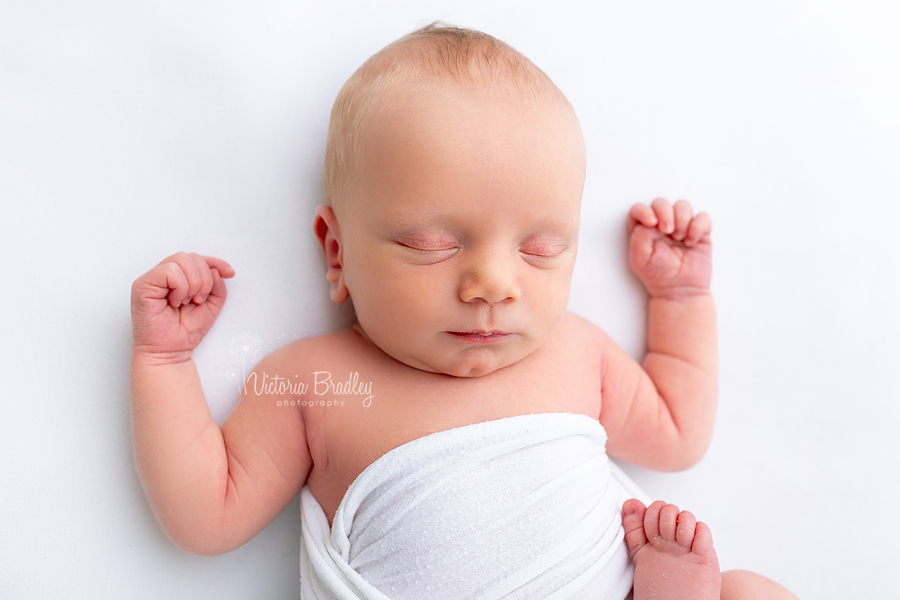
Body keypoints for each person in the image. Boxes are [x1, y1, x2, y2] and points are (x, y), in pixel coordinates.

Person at [130, 21, 798, 600]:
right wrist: (164, 360)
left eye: (540, 250)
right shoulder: (315, 383)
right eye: (433, 245)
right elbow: (205, 516)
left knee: (750, 592)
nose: (492, 284)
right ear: (337, 252)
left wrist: (680, 299)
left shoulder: (575, 352)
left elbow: (678, 434)